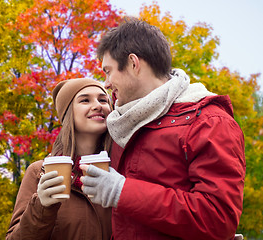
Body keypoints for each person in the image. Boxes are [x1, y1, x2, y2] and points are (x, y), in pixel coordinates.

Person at [80, 17, 246, 240]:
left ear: (133, 63)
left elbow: (218, 218)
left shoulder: (209, 122)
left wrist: (122, 191)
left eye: (108, 71)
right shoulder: (123, 122)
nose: (106, 83)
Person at [6, 78, 113, 240]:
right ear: (68, 113)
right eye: (85, 100)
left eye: (103, 100)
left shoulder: (123, 167)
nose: (98, 105)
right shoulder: (40, 172)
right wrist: (41, 205)